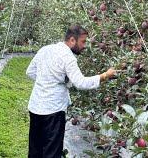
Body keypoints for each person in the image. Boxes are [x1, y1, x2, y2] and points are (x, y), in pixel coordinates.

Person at [26, 25, 116, 158]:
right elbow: (80, 83)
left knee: (35, 150)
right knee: (51, 152)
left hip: (36, 107)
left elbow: (30, 72)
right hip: (53, 110)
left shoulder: (45, 50)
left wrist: (47, 81)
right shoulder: (68, 57)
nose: (84, 46)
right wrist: (104, 76)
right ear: (72, 40)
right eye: (83, 41)